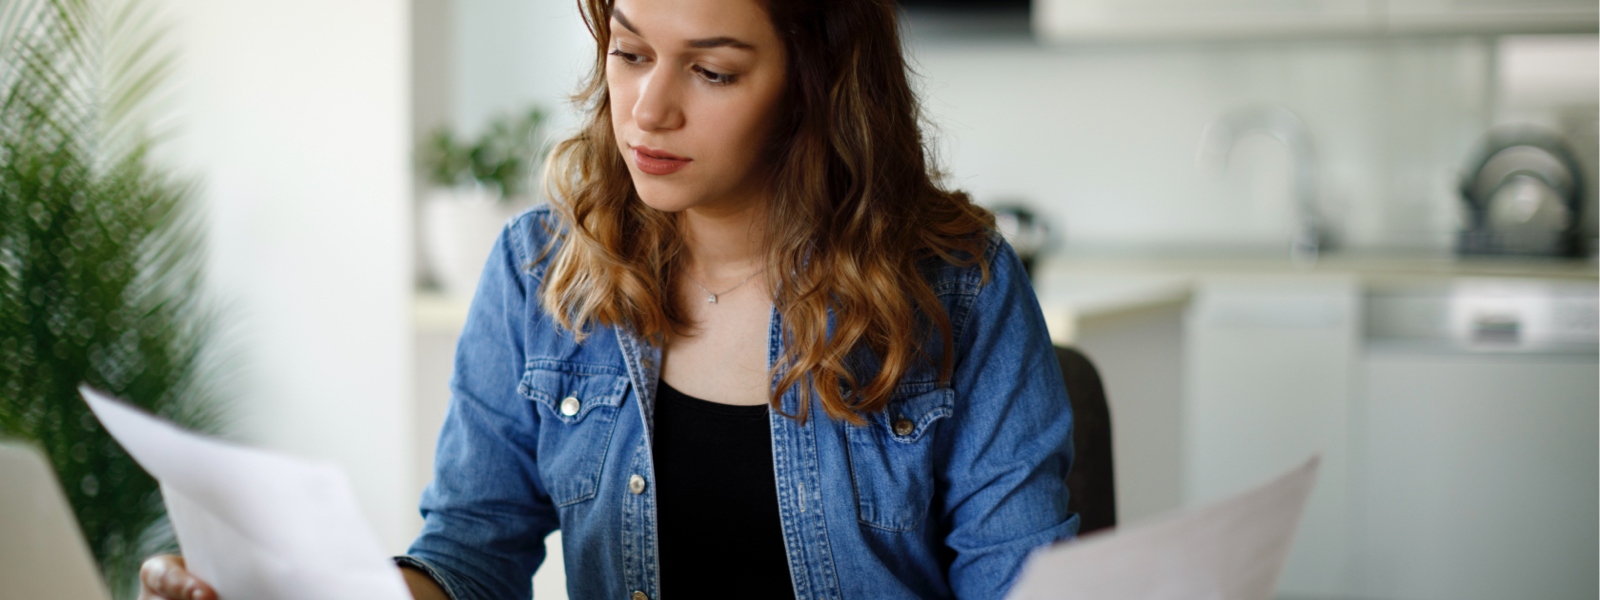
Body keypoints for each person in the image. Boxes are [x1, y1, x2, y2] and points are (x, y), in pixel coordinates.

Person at [139, 0, 1076, 598]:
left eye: (710, 71)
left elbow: (1021, 583)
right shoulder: (540, 271)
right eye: (629, 53)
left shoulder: (962, 288)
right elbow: (473, 550)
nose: (648, 110)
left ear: (815, 90)